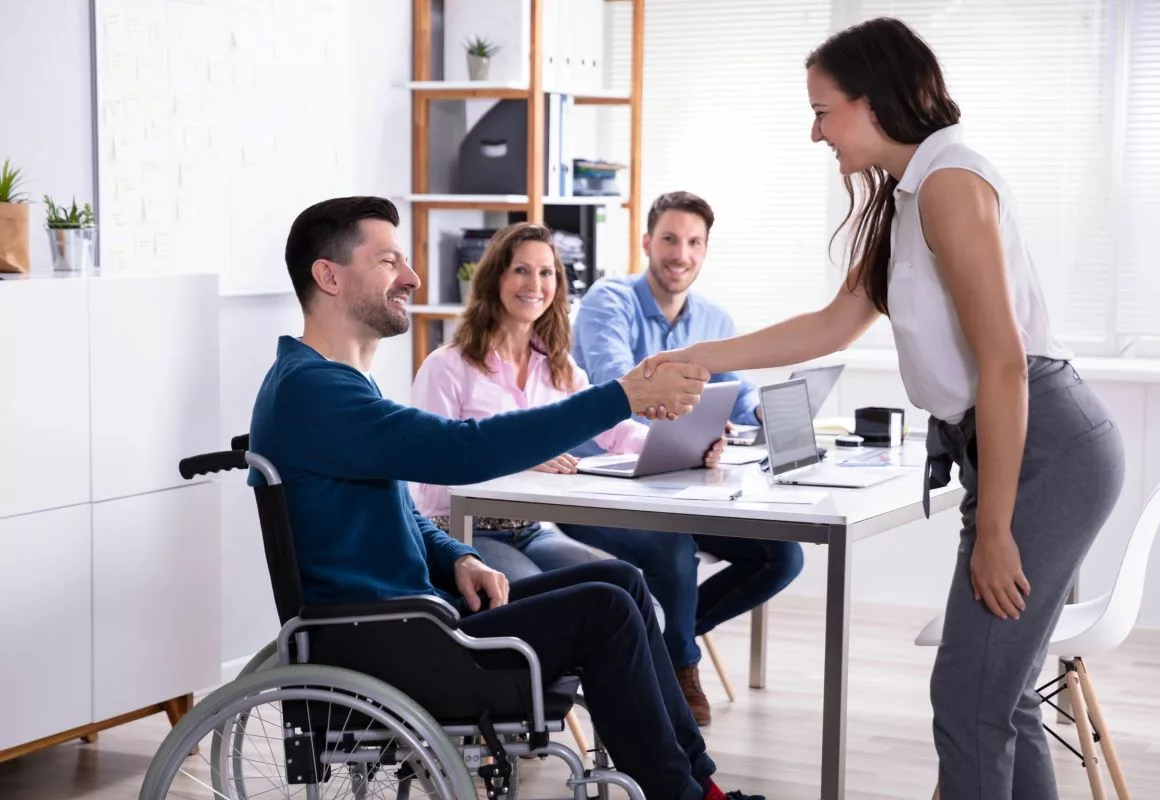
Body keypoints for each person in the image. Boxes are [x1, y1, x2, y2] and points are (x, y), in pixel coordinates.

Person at [640, 18, 1125, 800]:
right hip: (1012, 446)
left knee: (967, 701)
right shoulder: (909, 198)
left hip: (1044, 447)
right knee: (994, 696)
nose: (815, 132)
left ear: (874, 103)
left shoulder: (950, 185)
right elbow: (831, 324)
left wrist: (994, 529)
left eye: (823, 110)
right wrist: (699, 357)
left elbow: (1005, 365)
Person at [247, 195, 765, 800]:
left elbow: (405, 512)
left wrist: (458, 558)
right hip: (392, 643)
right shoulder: (315, 393)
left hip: (417, 618)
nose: (412, 277)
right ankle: (681, 795)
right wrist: (620, 395)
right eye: (389, 261)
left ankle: (702, 786)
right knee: (606, 608)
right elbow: (464, 451)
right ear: (329, 276)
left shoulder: (330, 383)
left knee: (622, 581)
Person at [567, 190, 805, 723]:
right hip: (596, 484)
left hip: (676, 479)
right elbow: (617, 387)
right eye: (670, 239)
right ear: (647, 242)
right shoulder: (611, 301)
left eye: (694, 242)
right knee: (672, 545)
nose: (681, 254)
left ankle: (666, 638)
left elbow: (737, 394)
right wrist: (695, 420)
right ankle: (679, 663)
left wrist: (769, 415)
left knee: (781, 555)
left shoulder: (713, 318)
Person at [410, 221, 727, 583]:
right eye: (521, 271)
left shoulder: (557, 365)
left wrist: (683, 448)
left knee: (623, 583)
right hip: (461, 534)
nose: (535, 284)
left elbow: (613, 427)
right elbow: (431, 476)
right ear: (494, 279)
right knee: (554, 598)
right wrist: (524, 457)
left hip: (530, 530)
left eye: (546, 273)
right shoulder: (447, 366)